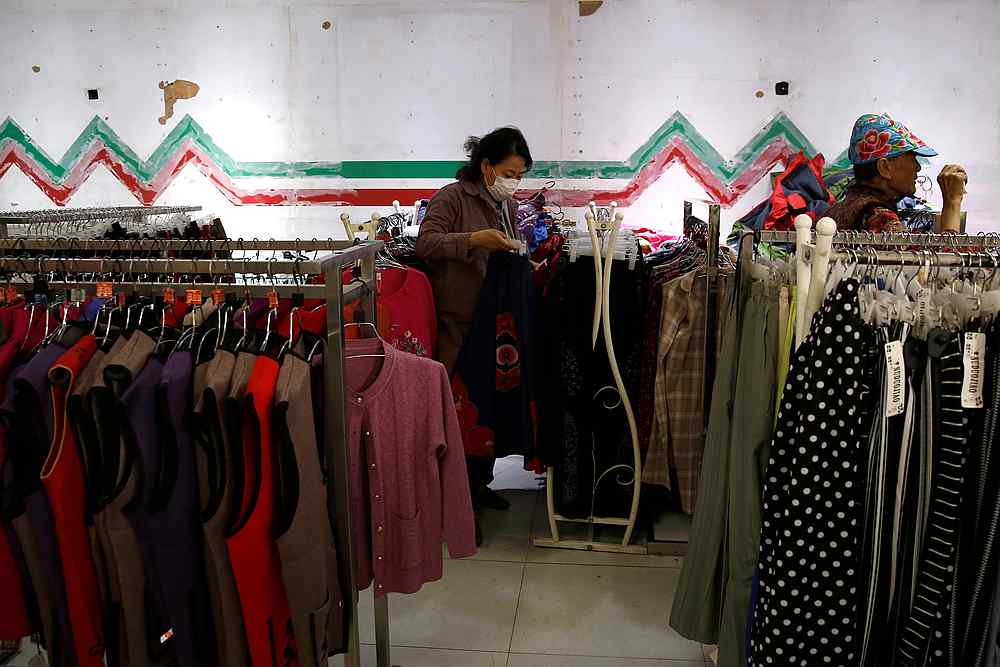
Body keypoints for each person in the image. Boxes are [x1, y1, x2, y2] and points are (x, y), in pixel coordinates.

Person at [415, 127, 532, 535]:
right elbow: (426, 244)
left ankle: (481, 486)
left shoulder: (507, 205)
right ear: (485, 167)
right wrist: (473, 240)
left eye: (519, 176)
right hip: (461, 322)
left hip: (496, 324)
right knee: (461, 414)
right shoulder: (452, 198)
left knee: (489, 411)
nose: (513, 183)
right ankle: (459, 507)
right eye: (509, 174)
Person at [825, 113, 968, 233]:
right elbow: (947, 258)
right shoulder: (881, 219)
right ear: (885, 167)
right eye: (912, 157)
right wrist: (952, 203)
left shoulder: (838, 209)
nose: (918, 167)